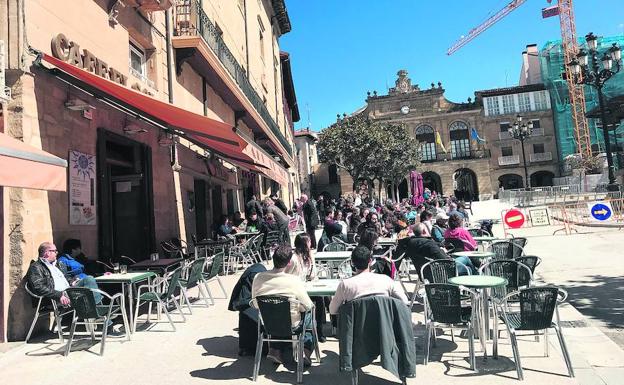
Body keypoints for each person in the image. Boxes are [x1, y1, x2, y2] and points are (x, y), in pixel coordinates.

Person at [251, 245, 315, 365]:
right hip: (292, 325)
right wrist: (299, 307)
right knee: (310, 313)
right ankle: (305, 349)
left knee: (276, 314)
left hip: (267, 323)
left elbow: (255, 303)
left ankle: (275, 350)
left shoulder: (258, 277)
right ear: (289, 263)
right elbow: (307, 305)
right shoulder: (294, 281)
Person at [329, 246, 408, 314]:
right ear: (370, 261)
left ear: (352, 263)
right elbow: (404, 301)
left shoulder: (345, 285)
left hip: (357, 329)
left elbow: (332, 310)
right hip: (383, 328)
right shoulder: (386, 280)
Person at [27, 241, 102, 306]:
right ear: (47, 253)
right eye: (55, 251)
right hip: (56, 296)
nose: (57, 253)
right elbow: (38, 287)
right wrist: (59, 295)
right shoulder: (36, 267)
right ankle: (98, 312)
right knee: (89, 281)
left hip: (68, 290)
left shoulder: (56, 264)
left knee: (89, 281)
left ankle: (98, 312)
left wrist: (72, 281)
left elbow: (65, 278)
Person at [285, 233, 327, 342]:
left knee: (321, 298)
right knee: (312, 303)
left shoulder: (310, 255)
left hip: (308, 286)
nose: (311, 243)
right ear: (304, 243)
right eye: (309, 241)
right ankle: (309, 331)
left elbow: (313, 275)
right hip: (295, 290)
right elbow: (286, 276)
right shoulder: (293, 259)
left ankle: (319, 329)